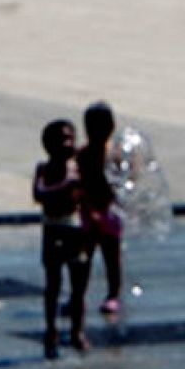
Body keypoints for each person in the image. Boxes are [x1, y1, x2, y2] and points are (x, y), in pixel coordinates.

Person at [34, 119, 91, 359]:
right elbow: (39, 194)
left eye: (70, 138)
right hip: (53, 230)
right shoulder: (43, 169)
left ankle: (77, 331)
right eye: (60, 140)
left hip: (75, 230)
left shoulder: (78, 167)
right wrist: (65, 185)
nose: (67, 144)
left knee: (78, 287)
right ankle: (51, 330)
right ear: (47, 146)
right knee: (53, 285)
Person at [77, 102, 125, 317]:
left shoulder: (115, 155)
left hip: (109, 213)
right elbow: (79, 184)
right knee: (83, 258)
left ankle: (113, 294)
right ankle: (78, 294)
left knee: (111, 257)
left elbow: (123, 183)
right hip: (87, 212)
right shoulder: (83, 155)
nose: (97, 133)